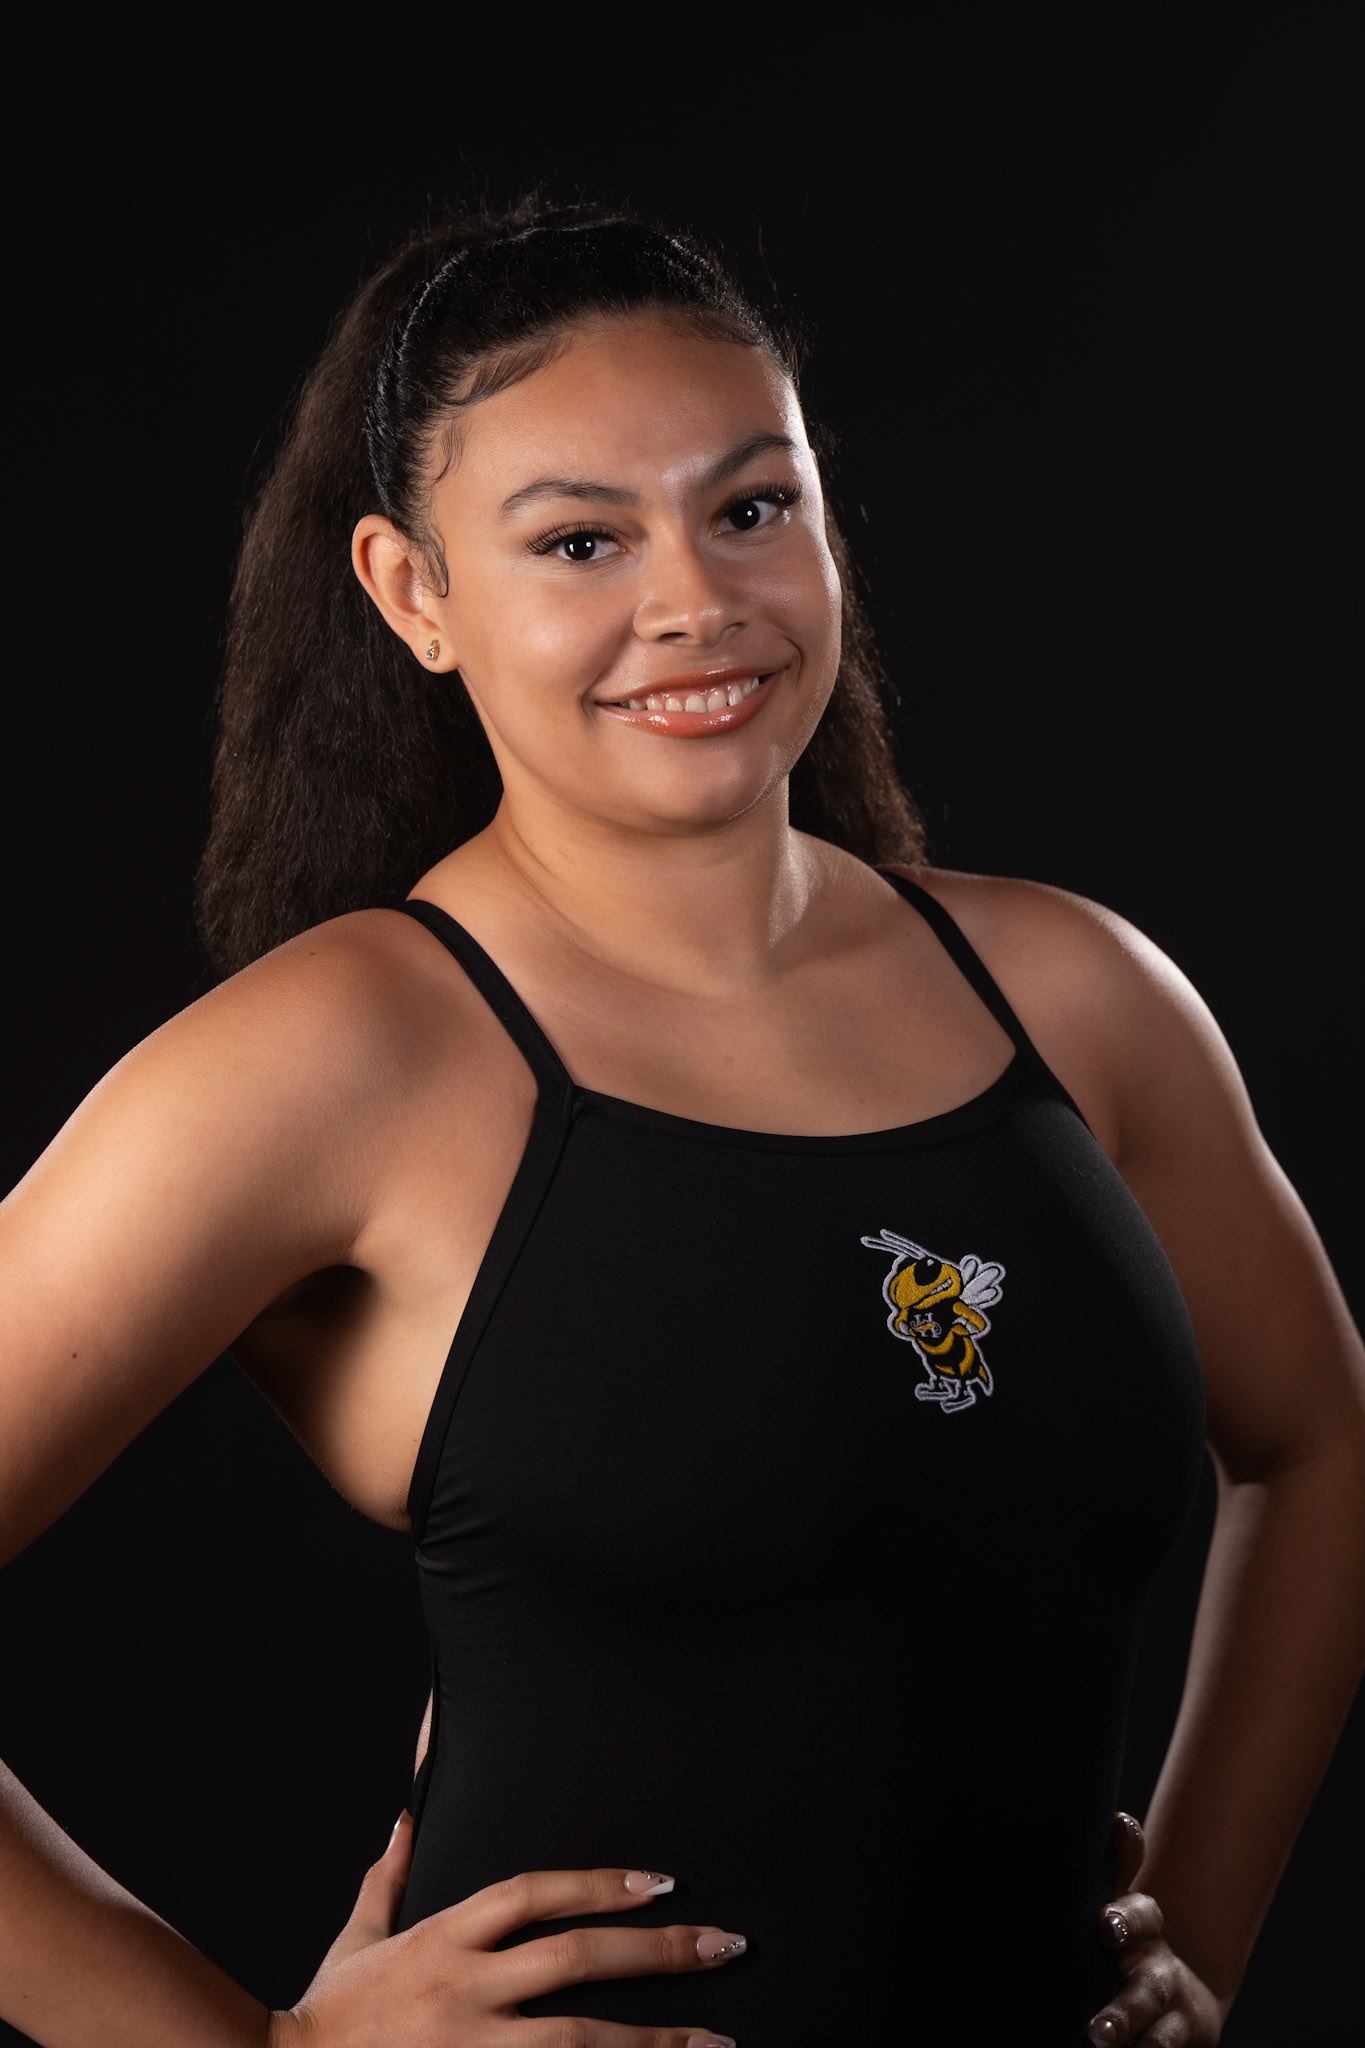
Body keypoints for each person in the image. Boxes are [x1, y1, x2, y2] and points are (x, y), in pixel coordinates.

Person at [1, 196, 1362, 2048]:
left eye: (751, 507)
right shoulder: (339, 1057)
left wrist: (1195, 1931)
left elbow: (1318, 1444)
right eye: (580, 539)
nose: (695, 603)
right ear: (412, 593)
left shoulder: (1075, 992)